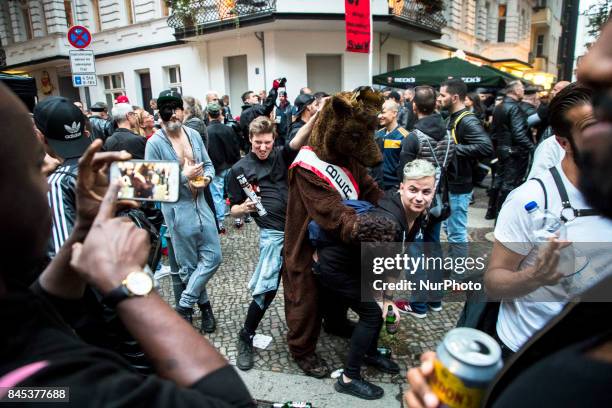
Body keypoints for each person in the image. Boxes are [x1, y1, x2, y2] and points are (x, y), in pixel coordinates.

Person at [0, 83, 255, 407]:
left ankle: (192, 303)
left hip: (198, 212)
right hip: (163, 240)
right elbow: (234, 404)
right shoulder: (62, 388)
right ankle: (189, 304)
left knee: (204, 262)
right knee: (187, 270)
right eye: (39, 165)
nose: (53, 167)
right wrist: (129, 282)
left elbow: (38, 313)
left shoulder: (16, 323)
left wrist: (83, 230)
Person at [485, 83, 612, 357]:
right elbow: (494, 281)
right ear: (563, 142)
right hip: (530, 353)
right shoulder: (530, 200)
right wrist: (534, 277)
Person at [227, 115, 312, 371]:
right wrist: (243, 207)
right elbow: (231, 210)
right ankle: (246, 335)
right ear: (249, 141)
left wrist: (318, 115)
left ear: (273, 140)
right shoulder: (238, 170)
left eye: (267, 142)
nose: (262, 147)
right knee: (267, 290)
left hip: (298, 230)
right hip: (272, 236)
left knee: (310, 282)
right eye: (257, 143)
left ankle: (318, 330)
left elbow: (300, 138)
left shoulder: (280, 155)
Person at [145, 89, 222, 332]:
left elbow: (208, 164)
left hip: (202, 206)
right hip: (179, 212)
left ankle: (184, 304)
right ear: (160, 115)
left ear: (182, 111)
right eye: (165, 112)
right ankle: (205, 308)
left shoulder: (193, 134)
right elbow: (152, 186)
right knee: (188, 266)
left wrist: (208, 178)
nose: (171, 116)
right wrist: (183, 175)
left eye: (175, 111)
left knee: (213, 257)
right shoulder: (155, 143)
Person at [396, 85, 454, 317]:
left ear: (414, 106)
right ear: (436, 105)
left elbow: (404, 174)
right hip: (438, 201)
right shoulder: (449, 134)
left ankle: (419, 305)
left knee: (415, 252)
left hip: (417, 205)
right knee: (434, 249)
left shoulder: (414, 137)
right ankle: (435, 300)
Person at [33, 96, 92, 260]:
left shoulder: (58, 183)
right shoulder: (109, 165)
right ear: (85, 132)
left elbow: (63, 257)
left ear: (39, 136)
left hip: (93, 282)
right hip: (130, 278)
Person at [437, 79, 492, 252]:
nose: (439, 98)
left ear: (454, 97)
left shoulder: (467, 120)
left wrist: (451, 148)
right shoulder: (451, 118)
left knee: (457, 232)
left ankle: (458, 276)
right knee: (450, 229)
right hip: (451, 184)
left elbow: (486, 147)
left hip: (460, 185)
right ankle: (454, 269)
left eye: (442, 95)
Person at [488, 80, 534, 218]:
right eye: (521, 88)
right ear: (514, 91)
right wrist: (534, 148)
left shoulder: (499, 106)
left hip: (502, 150)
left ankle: (492, 212)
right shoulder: (514, 108)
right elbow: (519, 134)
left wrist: (499, 148)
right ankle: (502, 217)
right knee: (509, 185)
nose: (523, 91)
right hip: (513, 152)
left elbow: (494, 133)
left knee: (499, 180)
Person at [206, 102, 241, 233]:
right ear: (220, 114)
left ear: (208, 114)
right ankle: (238, 218)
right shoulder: (228, 128)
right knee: (234, 193)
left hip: (217, 167)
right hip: (231, 165)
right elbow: (235, 147)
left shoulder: (207, 131)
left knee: (217, 195)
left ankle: (220, 223)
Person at [374, 100, 410, 191]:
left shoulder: (405, 136)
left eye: (383, 112)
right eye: (379, 113)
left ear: (394, 113)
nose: (379, 116)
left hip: (394, 188)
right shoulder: (378, 135)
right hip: (377, 185)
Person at [239, 79, 283, 148]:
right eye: (253, 96)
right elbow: (267, 106)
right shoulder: (253, 109)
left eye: (256, 96)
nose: (256, 97)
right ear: (247, 100)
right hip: (260, 145)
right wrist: (274, 89)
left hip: (251, 146)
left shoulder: (243, 113)